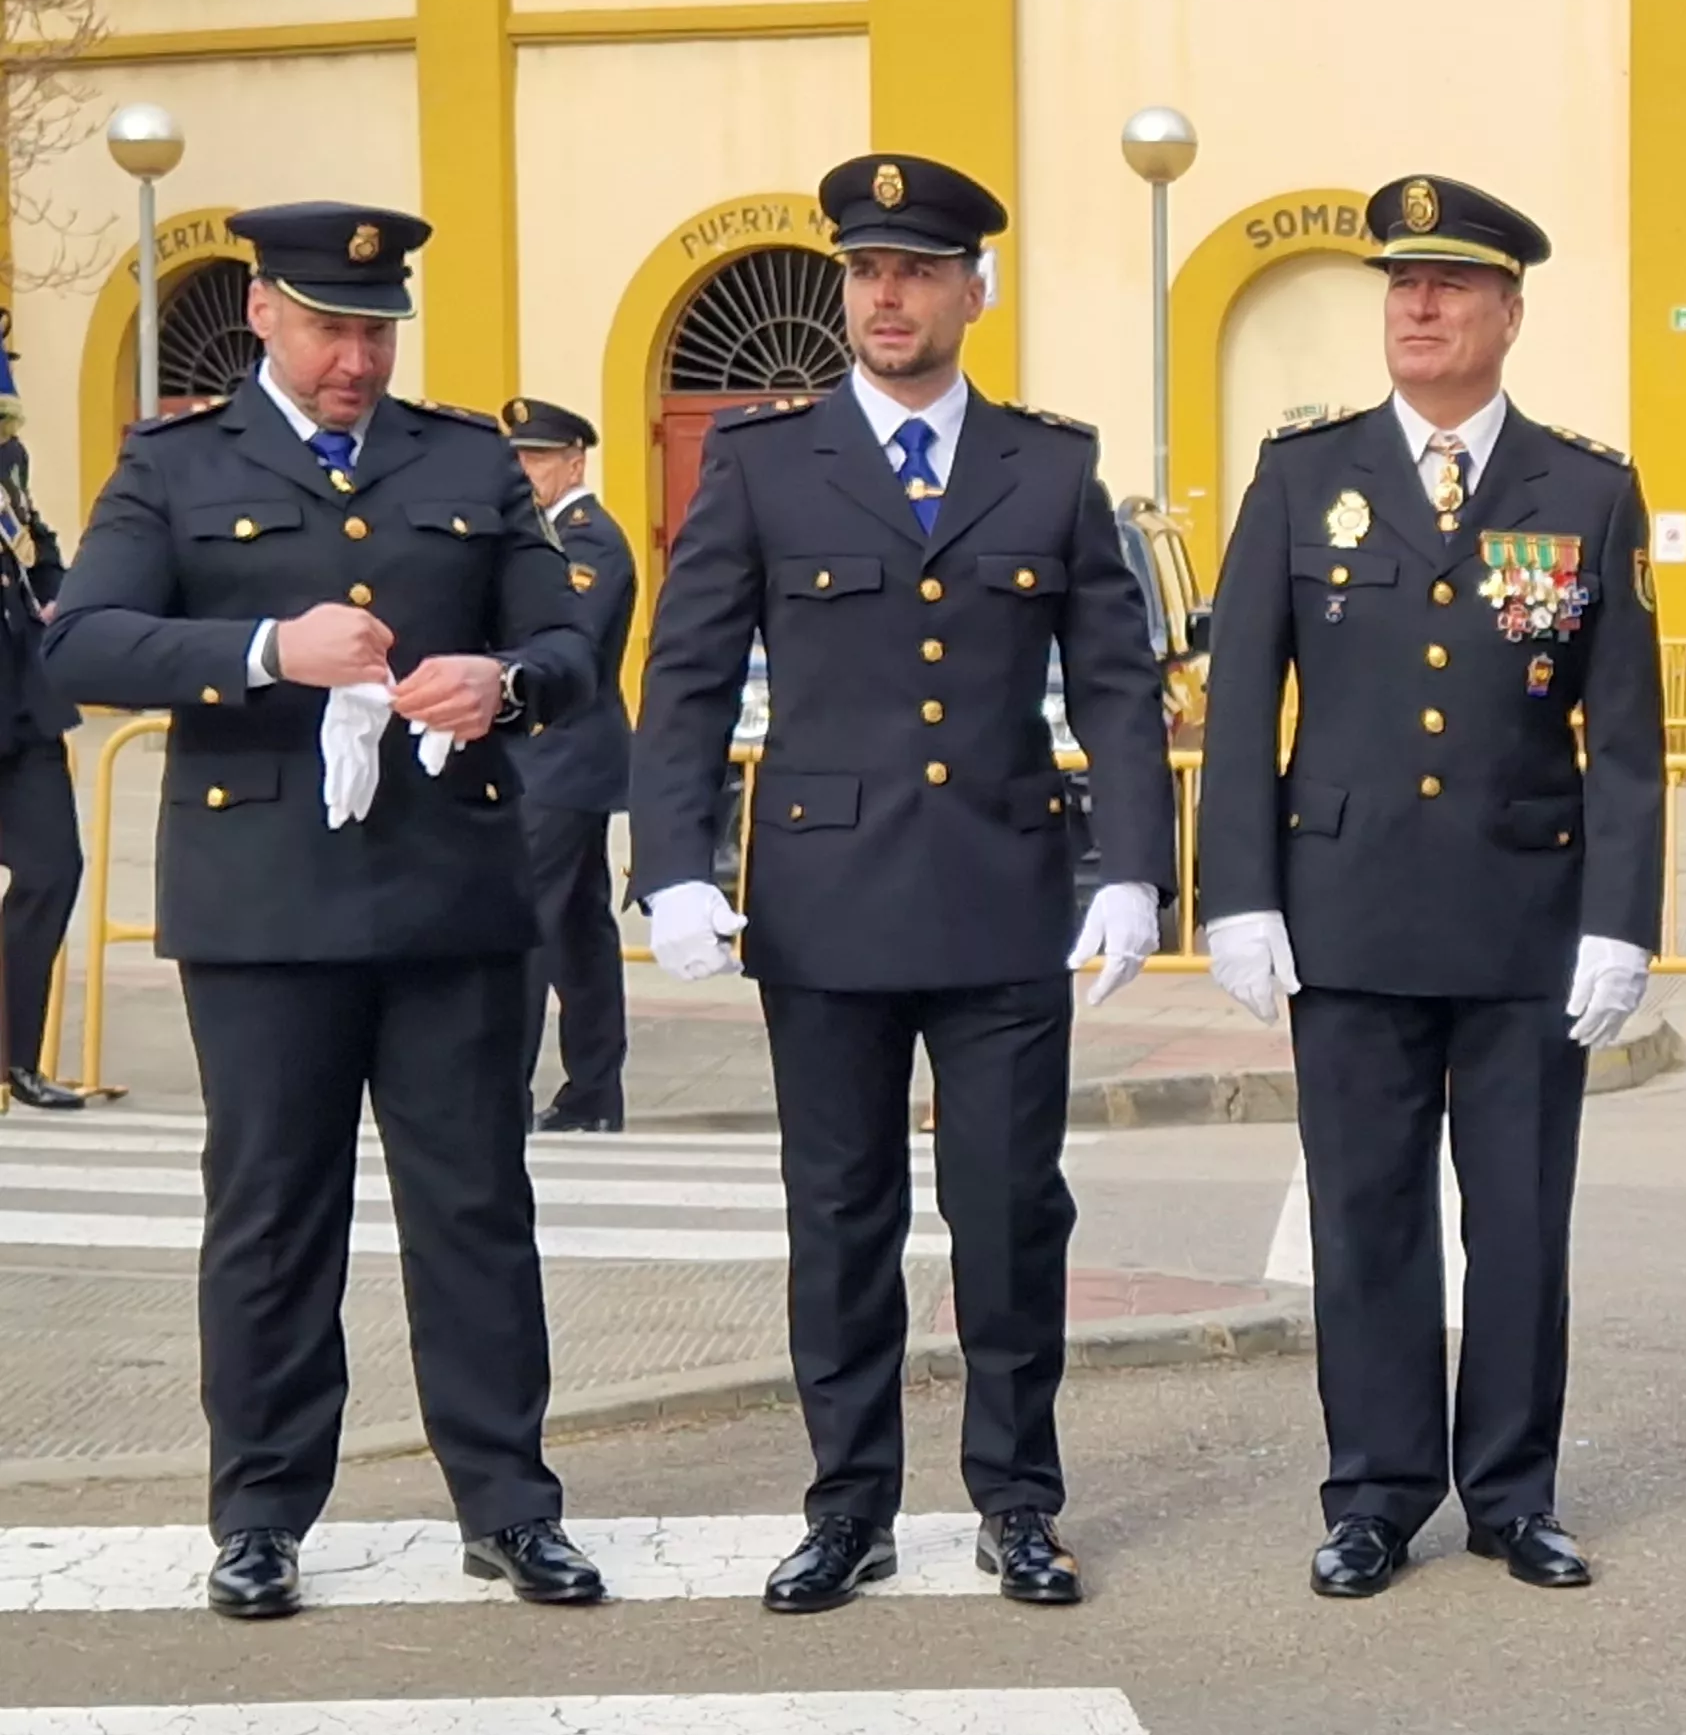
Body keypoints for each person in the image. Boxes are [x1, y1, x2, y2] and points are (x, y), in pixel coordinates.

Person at [43, 201, 604, 1617]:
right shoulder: (175, 466)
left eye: (375, 328)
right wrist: (261, 647)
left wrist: (510, 683)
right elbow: (86, 645)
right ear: (262, 319)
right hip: (264, 902)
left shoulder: (469, 460)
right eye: (331, 327)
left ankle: (509, 1504)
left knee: (474, 1207)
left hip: (449, 893)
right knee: (272, 1214)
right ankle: (262, 1512)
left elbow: (568, 642)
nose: (357, 357)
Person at [630, 155, 1174, 1614]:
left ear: (971, 292)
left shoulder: (1048, 465)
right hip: (822, 904)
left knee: (1008, 1213)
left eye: (918, 271)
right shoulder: (763, 458)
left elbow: (1116, 688)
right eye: (867, 270)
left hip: (1004, 896)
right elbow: (682, 682)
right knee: (843, 1213)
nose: (887, 295)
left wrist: (1135, 870)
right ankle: (848, 1503)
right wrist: (670, 867)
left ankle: (1019, 1500)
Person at [1193, 172, 1663, 1602]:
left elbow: (1630, 737)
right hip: (1347, 909)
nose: (1417, 306)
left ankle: (1514, 1492)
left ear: (1508, 313)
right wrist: (1238, 894)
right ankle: (1377, 1493)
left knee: (1518, 1222)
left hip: (1524, 917)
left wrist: (1621, 921)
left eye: (1450, 287)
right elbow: (1242, 706)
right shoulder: (1305, 476)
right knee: (1368, 1217)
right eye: (1401, 286)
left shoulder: (1584, 487)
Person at [502, 398, 633, 1133]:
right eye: (515, 459)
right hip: (561, 759)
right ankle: (592, 1094)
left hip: (561, 753)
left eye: (537, 459)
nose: (523, 473)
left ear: (574, 462)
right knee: (579, 930)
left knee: (527, 923)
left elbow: (562, 642)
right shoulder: (548, 536)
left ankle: (507, 1090)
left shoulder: (588, 542)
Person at [0, 314, 83, 1110]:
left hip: (21, 707)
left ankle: (13, 1057)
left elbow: (37, 543)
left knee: (54, 870)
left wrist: (60, 595)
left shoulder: (6, 460)